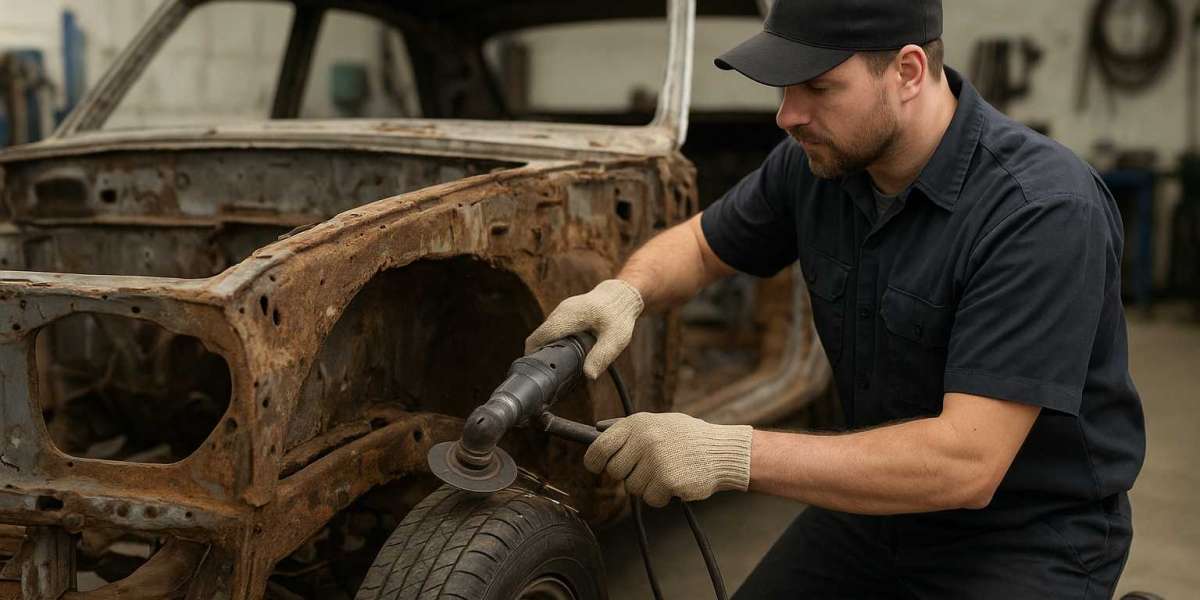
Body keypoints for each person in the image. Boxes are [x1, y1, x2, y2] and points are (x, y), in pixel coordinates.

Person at [524, 0, 1146, 597]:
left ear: (907, 72)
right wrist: (625, 292)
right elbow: (703, 246)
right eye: (782, 89)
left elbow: (967, 462)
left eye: (816, 88)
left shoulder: (1041, 212)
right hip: (880, 509)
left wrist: (729, 451)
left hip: (1027, 534)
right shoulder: (823, 161)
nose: (787, 115)